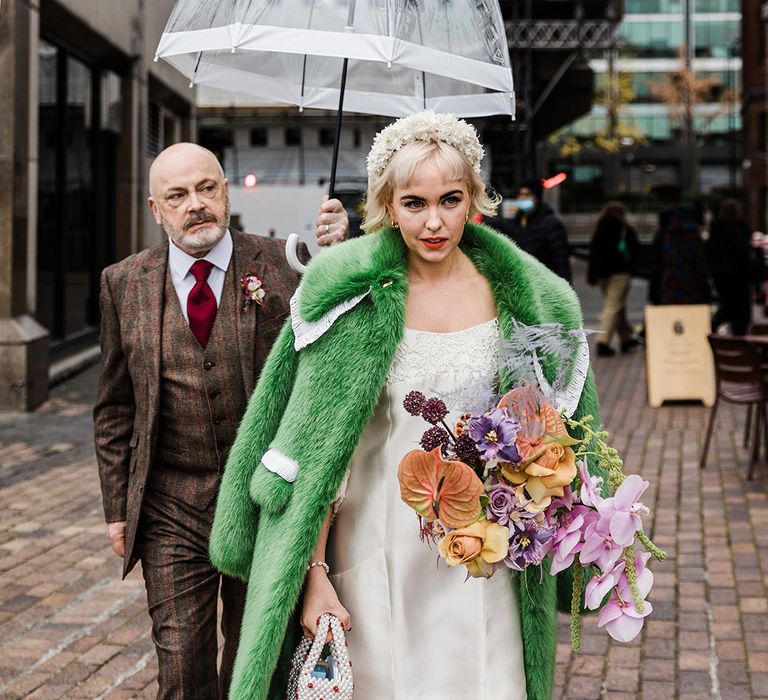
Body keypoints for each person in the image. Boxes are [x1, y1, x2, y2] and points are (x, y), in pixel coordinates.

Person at [209, 112, 604, 700]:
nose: (435, 221)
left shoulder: (528, 295)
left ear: (473, 197)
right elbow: (321, 454)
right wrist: (316, 576)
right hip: (375, 549)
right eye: (414, 203)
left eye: (450, 199)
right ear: (387, 206)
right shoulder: (352, 297)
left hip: (484, 557)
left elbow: (557, 432)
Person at [92, 142, 348, 699]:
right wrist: (117, 507)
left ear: (226, 191)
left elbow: (338, 346)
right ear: (156, 210)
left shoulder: (287, 264)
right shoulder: (123, 283)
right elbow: (115, 406)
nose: (196, 205)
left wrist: (340, 255)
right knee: (182, 666)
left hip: (261, 502)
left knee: (253, 665)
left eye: (206, 188)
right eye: (177, 196)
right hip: (170, 503)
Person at [587, 202, 641, 356]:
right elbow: (636, 251)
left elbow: (594, 255)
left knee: (617, 306)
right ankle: (602, 341)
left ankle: (626, 338)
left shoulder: (599, 229)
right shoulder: (625, 230)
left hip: (602, 275)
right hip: (620, 273)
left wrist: (592, 276)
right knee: (613, 307)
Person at [498, 178, 572, 282]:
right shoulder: (513, 223)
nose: (523, 199)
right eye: (520, 195)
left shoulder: (551, 224)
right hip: (521, 284)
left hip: (545, 284)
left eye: (528, 195)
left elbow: (561, 263)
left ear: (537, 197)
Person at [706, 199, 755, 335]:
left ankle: (713, 327)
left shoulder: (716, 229)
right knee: (739, 310)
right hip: (739, 277)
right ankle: (739, 341)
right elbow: (742, 254)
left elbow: (709, 253)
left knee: (728, 305)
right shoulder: (738, 228)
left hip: (721, 276)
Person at [657, 206, 710, 305]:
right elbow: (699, 259)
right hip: (691, 279)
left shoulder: (669, 233)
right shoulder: (693, 235)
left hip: (672, 278)